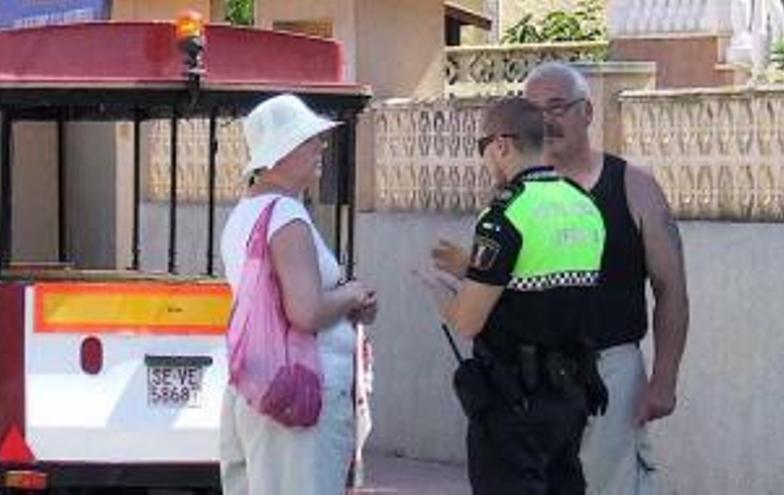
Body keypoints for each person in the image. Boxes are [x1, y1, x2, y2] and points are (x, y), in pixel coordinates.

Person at [433, 62, 689, 494]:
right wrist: (466, 269)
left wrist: (664, 379)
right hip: (528, 387)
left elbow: (671, 290)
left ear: (587, 112)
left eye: (557, 107)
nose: (546, 120)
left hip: (609, 371)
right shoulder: (511, 199)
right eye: (533, 110)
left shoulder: (633, 186)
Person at [420, 97, 607, 494]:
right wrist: (472, 267)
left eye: (482, 148)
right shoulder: (584, 205)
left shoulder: (505, 215)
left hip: (514, 404)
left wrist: (440, 293)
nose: (485, 160)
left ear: (502, 144)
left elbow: (468, 321)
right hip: (570, 396)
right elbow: (543, 284)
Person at [219, 94, 378, 495]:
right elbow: (305, 312)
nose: (320, 147)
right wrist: (352, 295)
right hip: (301, 394)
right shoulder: (286, 215)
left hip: (256, 387)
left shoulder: (246, 213)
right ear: (283, 152)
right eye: (309, 140)